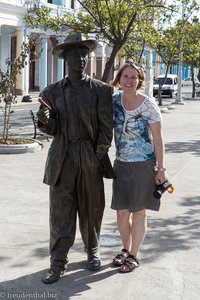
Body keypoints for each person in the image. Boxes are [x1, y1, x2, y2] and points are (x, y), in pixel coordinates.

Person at [37, 33, 116, 284]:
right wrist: (44, 121)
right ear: (66, 59)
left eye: (84, 55)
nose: (81, 59)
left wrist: (97, 155)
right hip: (62, 158)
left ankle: (93, 249)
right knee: (60, 212)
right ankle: (57, 261)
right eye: (75, 55)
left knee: (92, 208)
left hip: (90, 156)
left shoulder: (101, 90)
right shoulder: (51, 92)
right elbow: (52, 129)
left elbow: (106, 128)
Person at [110, 62, 168, 273]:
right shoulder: (114, 101)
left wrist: (161, 169)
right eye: (125, 76)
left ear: (140, 81)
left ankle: (134, 255)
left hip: (143, 165)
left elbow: (159, 138)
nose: (129, 81)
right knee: (122, 213)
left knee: (139, 212)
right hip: (121, 164)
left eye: (134, 77)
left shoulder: (149, 104)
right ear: (119, 79)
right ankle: (125, 249)